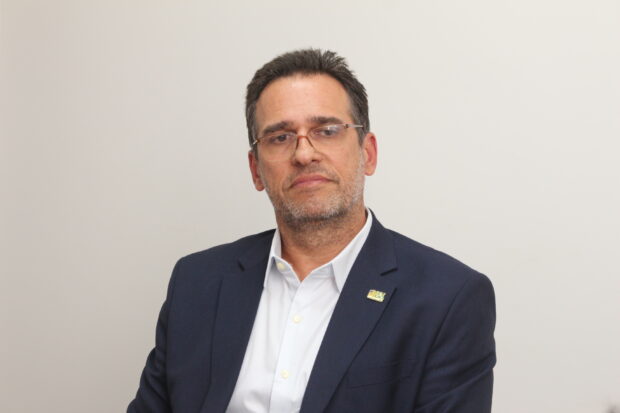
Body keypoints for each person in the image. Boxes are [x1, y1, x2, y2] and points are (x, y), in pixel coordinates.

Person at [128, 49, 496, 413]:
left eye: (327, 131)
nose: (304, 154)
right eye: (280, 137)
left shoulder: (447, 299)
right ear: (256, 170)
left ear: (368, 153)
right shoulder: (197, 282)